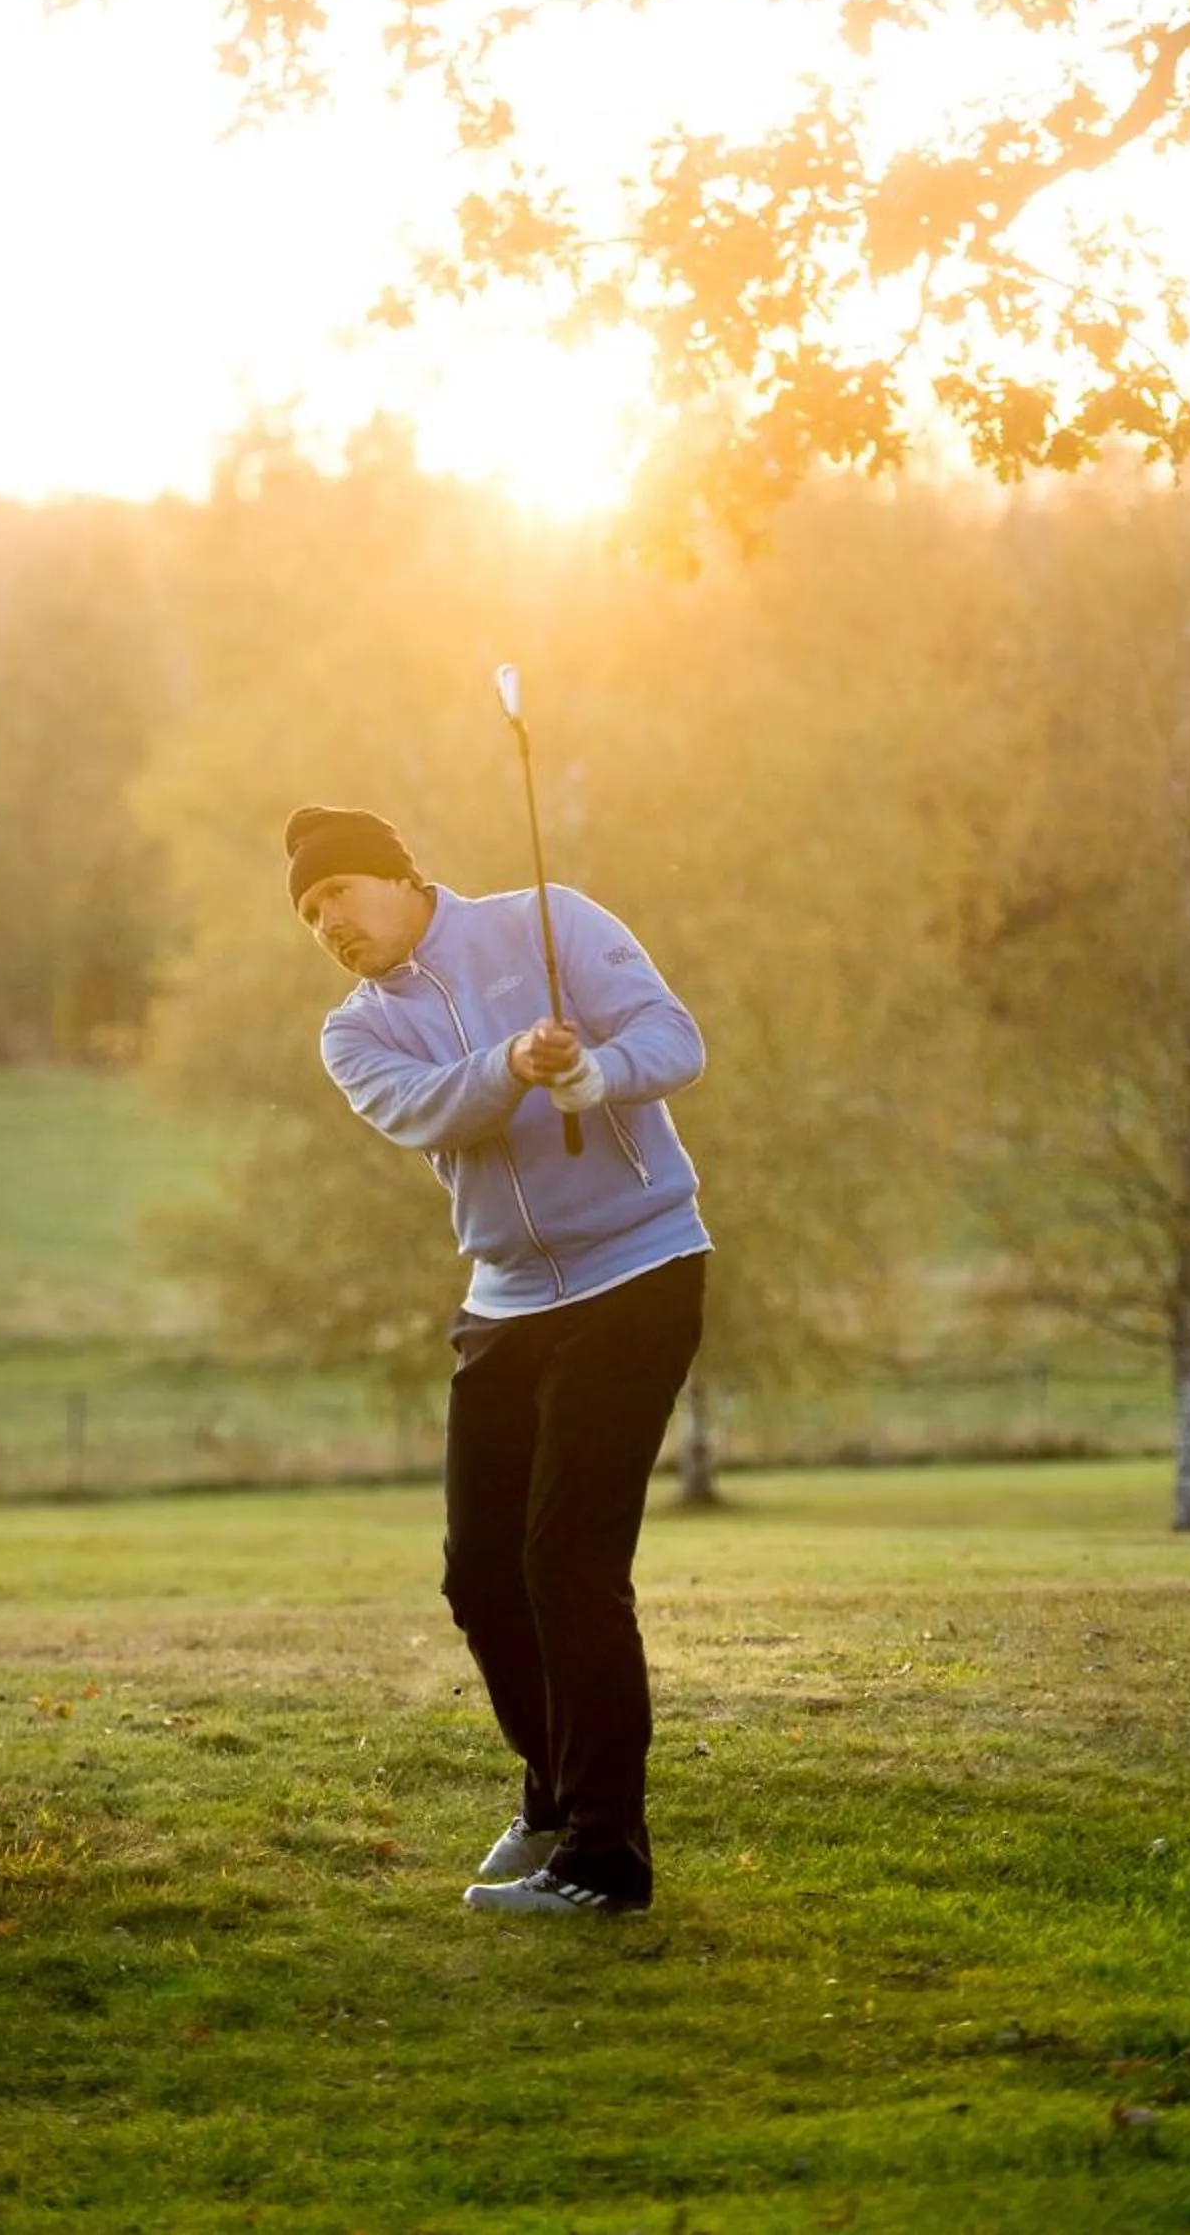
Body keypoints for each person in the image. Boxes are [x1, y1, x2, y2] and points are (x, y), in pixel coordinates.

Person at [284, 800, 711, 1919]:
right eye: (307, 913)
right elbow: (429, 1112)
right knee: (481, 1578)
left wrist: (596, 1075)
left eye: (336, 893)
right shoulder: (353, 1032)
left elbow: (676, 1041)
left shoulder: (548, 920)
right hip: (505, 1300)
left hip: (639, 1270)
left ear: (396, 873)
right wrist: (516, 1062)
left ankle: (606, 1861)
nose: (325, 923)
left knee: (568, 1562)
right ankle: (557, 1794)